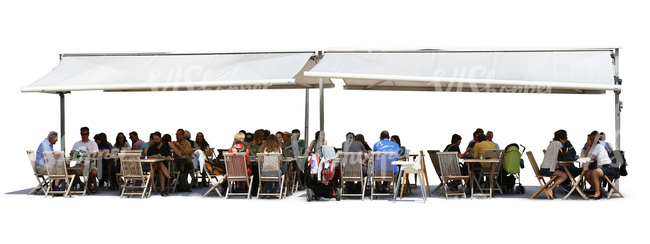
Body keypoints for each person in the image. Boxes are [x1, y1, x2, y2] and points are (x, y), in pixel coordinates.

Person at [583, 131, 615, 199]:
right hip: (602, 168)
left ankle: (598, 193)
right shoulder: (592, 148)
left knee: (595, 172)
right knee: (587, 174)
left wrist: (586, 157)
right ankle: (598, 189)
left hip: (608, 167)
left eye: (588, 140)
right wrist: (588, 148)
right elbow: (586, 156)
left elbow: (591, 158)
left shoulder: (598, 146)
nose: (587, 142)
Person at [539, 130, 571, 198]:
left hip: (544, 168)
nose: (566, 139)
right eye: (565, 137)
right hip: (547, 169)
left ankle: (551, 190)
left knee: (562, 174)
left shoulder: (553, 143)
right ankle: (551, 189)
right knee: (564, 175)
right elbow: (560, 156)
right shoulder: (557, 144)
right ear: (561, 138)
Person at [70, 127, 99, 193]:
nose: (84, 136)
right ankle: (81, 183)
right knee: (70, 171)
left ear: (88, 134)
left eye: (85, 134)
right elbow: (72, 155)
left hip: (89, 165)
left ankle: (87, 184)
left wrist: (90, 154)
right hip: (78, 165)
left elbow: (96, 155)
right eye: (82, 134)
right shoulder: (76, 144)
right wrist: (73, 153)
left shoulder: (93, 143)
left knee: (94, 172)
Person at [146, 132, 173, 196]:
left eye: (157, 139)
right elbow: (148, 158)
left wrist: (164, 158)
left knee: (160, 169)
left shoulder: (166, 147)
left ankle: (162, 190)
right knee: (160, 163)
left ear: (160, 138)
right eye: (154, 139)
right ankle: (169, 178)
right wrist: (155, 156)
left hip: (164, 168)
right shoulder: (151, 148)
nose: (155, 141)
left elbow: (169, 158)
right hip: (153, 167)